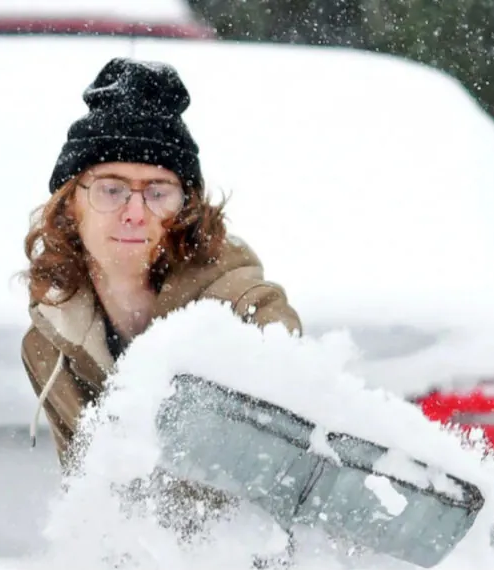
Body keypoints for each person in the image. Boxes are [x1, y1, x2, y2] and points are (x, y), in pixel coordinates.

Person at [20, 56, 301, 553]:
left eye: (158, 191)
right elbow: (91, 507)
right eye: (110, 188)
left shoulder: (242, 308)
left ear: (186, 207)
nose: (134, 212)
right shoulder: (50, 340)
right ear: (71, 203)